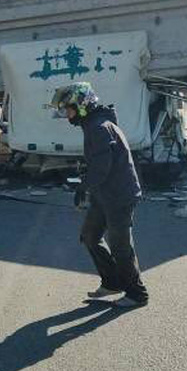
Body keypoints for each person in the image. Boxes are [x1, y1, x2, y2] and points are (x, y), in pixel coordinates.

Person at [51, 82, 149, 308]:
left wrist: (82, 187)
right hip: (105, 193)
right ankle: (113, 282)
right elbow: (100, 164)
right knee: (90, 236)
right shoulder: (94, 124)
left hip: (119, 196)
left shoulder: (98, 127)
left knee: (120, 247)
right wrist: (86, 183)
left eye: (69, 109)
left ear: (83, 106)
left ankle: (137, 294)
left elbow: (102, 169)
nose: (67, 115)